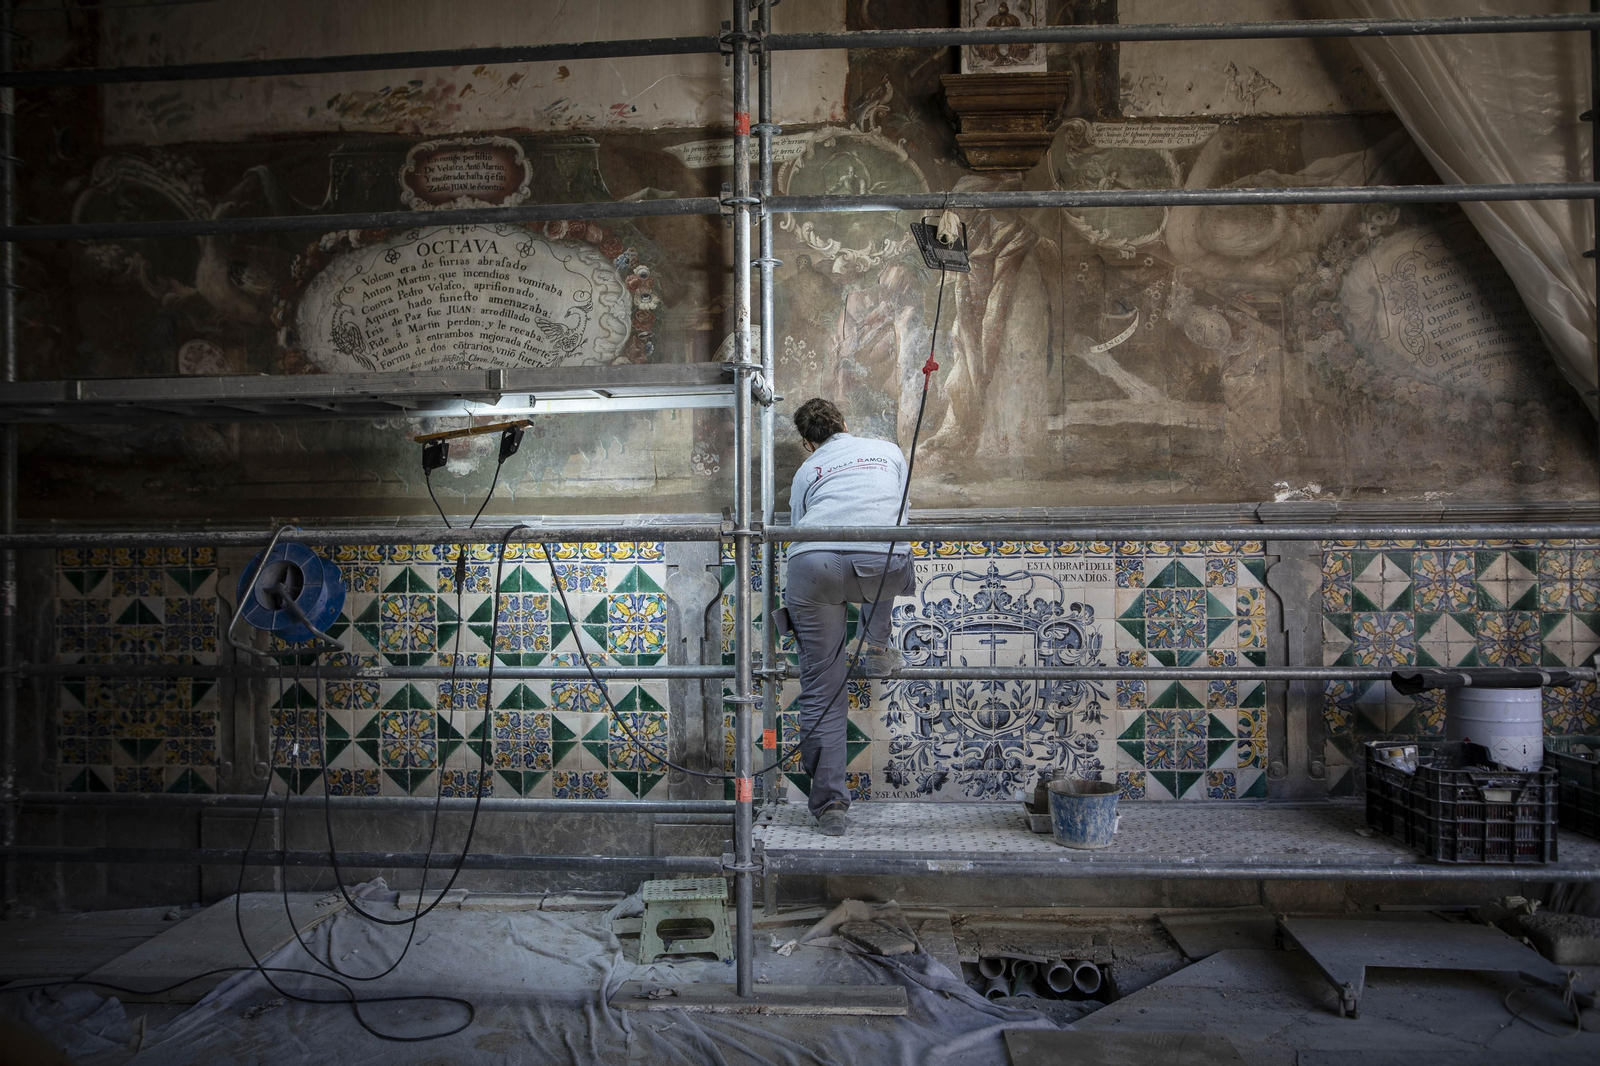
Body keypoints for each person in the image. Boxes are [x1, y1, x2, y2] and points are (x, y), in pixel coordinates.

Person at [784, 398, 915, 837]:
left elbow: (800, 525)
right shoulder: (888, 451)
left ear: (808, 442)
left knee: (822, 690)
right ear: (844, 423)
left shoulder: (806, 471)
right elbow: (898, 510)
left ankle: (830, 806)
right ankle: (877, 644)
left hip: (813, 566)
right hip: (882, 561)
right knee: (888, 556)